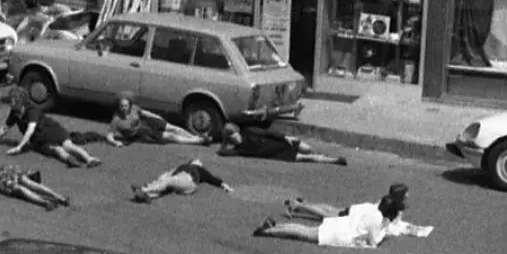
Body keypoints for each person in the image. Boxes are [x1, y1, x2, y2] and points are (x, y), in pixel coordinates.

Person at [0, 86, 101, 168]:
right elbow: (4, 128)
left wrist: (19, 147)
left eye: (13, 100)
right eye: (11, 100)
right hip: (39, 140)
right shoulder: (15, 112)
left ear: (20, 100)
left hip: (53, 131)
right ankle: (71, 161)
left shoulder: (31, 110)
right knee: (57, 150)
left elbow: (30, 130)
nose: (11, 103)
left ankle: (89, 159)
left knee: (68, 146)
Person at [286, 185, 433, 239]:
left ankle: (302, 205)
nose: (408, 195)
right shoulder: (394, 206)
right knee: (327, 214)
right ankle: (299, 205)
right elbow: (386, 224)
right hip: (357, 215)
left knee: (331, 209)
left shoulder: (387, 199)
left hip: (359, 209)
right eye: (406, 193)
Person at [253, 196, 398, 249]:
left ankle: (275, 226)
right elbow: (373, 242)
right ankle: (267, 231)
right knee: (303, 233)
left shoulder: (373, 210)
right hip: (341, 234)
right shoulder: (378, 220)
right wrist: (384, 230)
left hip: (340, 224)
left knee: (305, 229)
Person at [106, 92, 208, 147]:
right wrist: (115, 143)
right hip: (140, 132)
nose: (124, 108)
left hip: (147, 122)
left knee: (174, 128)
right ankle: (197, 141)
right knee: (170, 136)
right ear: (118, 107)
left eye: (125, 105)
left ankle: (196, 137)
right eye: (121, 106)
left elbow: (145, 113)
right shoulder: (116, 120)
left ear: (129, 105)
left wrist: (157, 117)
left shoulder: (133, 108)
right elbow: (109, 136)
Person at [219, 122, 347, 165]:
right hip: (277, 154)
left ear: (237, 131)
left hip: (279, 142)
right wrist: (224, 141)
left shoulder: (249, 131)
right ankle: (334, 160)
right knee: (307, 157)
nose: (234, 138)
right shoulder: (240, 150)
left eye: (233, 134)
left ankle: (321, 155)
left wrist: (285, 137)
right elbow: (222, 152)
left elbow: (267, 132)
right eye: (231, 138)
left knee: (307, 148)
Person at [131, 158, 233, 203]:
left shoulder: (201, 170)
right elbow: (169, 174)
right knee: (167, 182)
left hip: (190, 182)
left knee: (168, 181)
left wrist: (225, 185)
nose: (196, 160)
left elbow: (213, 179)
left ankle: (145, 189)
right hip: (184, 181)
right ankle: (149, 196)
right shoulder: (184, 167)